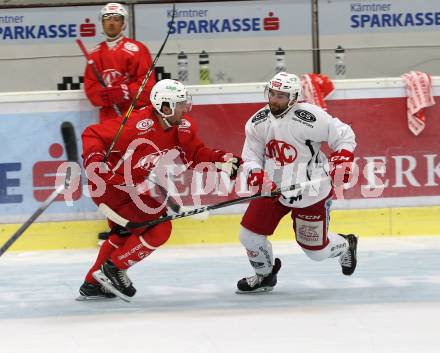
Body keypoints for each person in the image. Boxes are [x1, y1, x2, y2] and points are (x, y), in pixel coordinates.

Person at [77, 79, 241, 301]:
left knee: (124, 233)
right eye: (181, 104)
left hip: (131, 188)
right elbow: (92, 134)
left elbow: (195, 154)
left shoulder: (181, 126)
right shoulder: (137, 125)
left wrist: (220, 160)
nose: (186, 108)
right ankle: (113, 269)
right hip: (109, 187)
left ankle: (93, 284)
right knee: (159, 228)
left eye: (186, 102)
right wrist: (94, 159)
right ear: (164, 107)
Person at [236, 72, 357, 293]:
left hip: (311, 191)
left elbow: (344, 134)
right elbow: (251, 156)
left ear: (293, 98)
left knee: (316, 252)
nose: (274, 99)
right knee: (249, 236)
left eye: (281, 96)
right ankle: (265, 275)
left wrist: (343, 158)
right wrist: (256, 173)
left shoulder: (310, 117)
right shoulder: (258, 121)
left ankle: (345, 244)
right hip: (273, 189)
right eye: (271, 93)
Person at [83, 2, 156, 123]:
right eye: (107, 19)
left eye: (116, 19)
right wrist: (105, 96)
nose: (111, 23)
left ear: (123, 23)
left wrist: (125, 92)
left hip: (135, 116)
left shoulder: (137, 50)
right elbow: (91, 88)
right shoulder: (94, 54)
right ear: (102, 23)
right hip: (108, 119)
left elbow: (148, 85)